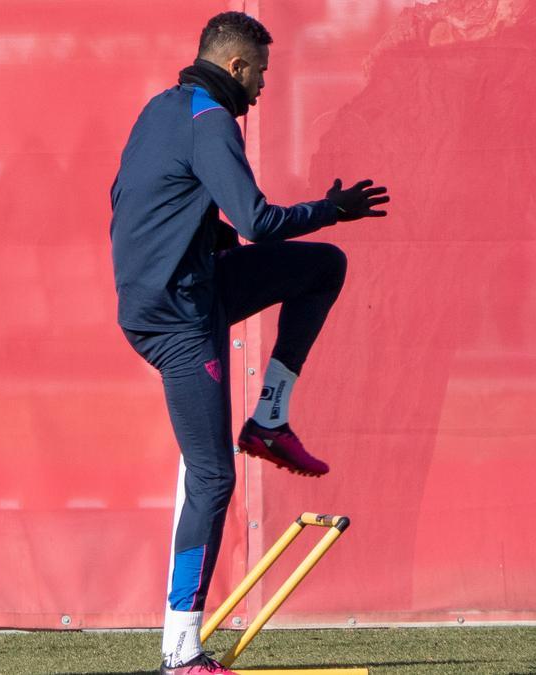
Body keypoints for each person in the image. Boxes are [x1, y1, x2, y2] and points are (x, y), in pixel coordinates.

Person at [109, 12, 388, 674]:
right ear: (236, 67)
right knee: (210, 476)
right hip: (178, 318)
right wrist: (331, 209)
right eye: (261, 71)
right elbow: (259, 221)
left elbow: (132, 199)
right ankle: (180, 650)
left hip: (185, 291)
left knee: (324, 266)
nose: (264, 85)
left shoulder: (161, 109)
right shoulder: (212, 119)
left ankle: (269, 417)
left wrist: (201, 249)